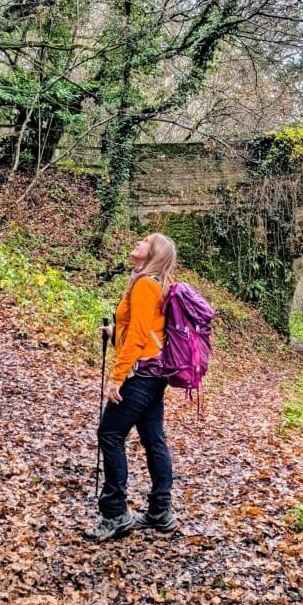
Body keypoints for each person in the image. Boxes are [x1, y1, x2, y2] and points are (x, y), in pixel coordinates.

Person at [84, 232, 179, 542]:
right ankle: (160, 511)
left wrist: (116, 377)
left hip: (140, 375)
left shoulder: (144, 286)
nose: (138, 242)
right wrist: (114, 332)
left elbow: (139, 337)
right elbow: (146, 329)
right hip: (154, 372)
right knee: (153, 438)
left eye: (145, 242)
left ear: (152, 255)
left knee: (109, 434)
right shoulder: (153, 284)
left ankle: (114, 514)